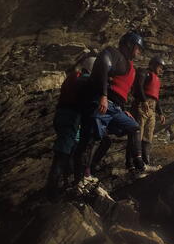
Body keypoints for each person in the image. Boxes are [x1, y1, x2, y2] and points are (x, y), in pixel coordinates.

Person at [73, 31, 146, 183]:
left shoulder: (129, 66)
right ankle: (82, 178)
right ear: (129, 45)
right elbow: (103, 63)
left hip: (116, 108)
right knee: (91, 138)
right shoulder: (115, 54)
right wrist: (103, 96)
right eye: (138, 47)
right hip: (102, 103)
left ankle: (139, 166)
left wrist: (123, 108)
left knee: (134, 128)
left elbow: (121, 91)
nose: (139, 51)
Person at [45, 52, 97, 197]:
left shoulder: (72, 77)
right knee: (62, 155)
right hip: (71, 118)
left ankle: (66, 185)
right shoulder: (85, 79)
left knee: (69, 151)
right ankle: (53, 192)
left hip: (61, 116)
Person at [126, 55, 166, 169]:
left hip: (152, 109)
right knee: (137, 134)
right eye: (160, 67)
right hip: (141, 106)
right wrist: (143, 101)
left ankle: (145, 162)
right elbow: (138, 86)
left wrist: (161, 113)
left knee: (148, 137)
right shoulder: (145, 73)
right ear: (153, 65)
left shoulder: (157, 79)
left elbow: (156, 98)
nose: (161, 70)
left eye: (162, 68)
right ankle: (131, 163)